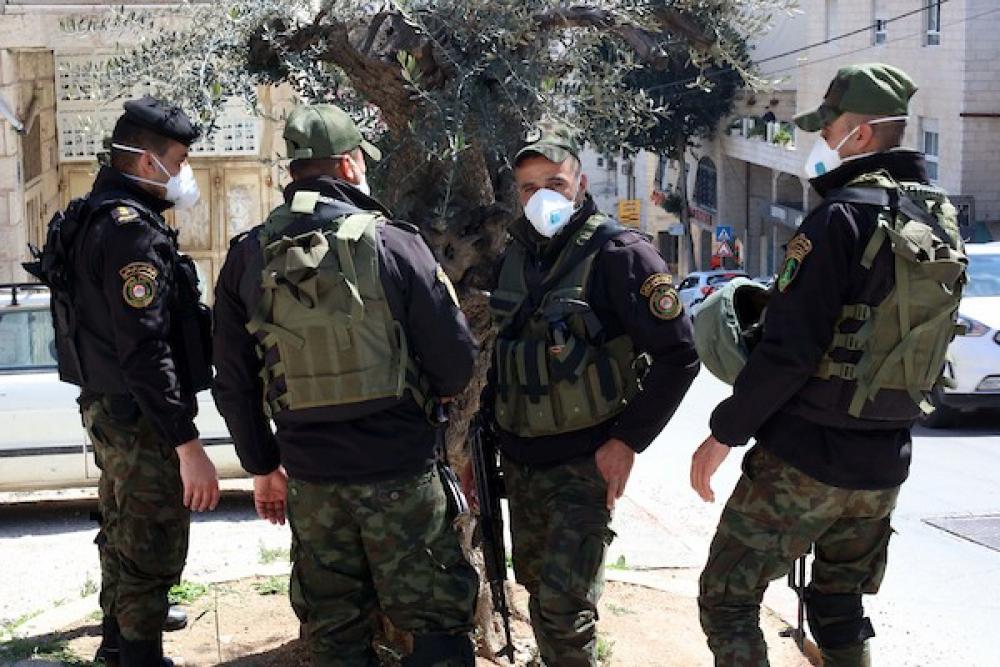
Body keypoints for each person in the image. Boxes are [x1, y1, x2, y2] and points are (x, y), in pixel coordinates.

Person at [691, 64, 967, 666]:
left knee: (728, 599)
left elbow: (791, 350)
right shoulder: (939, 218)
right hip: (884, 462)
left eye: (829, 128)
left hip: (806, 458)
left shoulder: (840, 217)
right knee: (839, 604)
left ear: (860, 135)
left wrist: (723, 434)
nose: (820, 141)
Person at [211, 103, 480, 666]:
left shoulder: (247, 255)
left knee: (334, 631)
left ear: (292, 171)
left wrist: (263, 464)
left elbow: (233, 381)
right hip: (402, 471)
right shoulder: (396, 243)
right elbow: (456, 360)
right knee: (436, 623)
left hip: (312, 479)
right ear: (351, 164)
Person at [466, 122, 700, 666]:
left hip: (583, 462)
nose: (541, 197)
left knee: (565, 610)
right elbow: (503, 359)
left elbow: (680, 358)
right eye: (528, 188)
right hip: (520, 460)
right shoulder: (515, 259)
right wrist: (483, 447)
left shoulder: (620, 254)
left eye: (555, 183)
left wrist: (627, 442)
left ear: (581, 183)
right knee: (538, 592)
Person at [28, 96, 221, 666]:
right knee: (150, 538)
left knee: (121, 527)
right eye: (178, 161)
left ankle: (117, 642)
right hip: (142, 418)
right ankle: (139, 655)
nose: (183, 173)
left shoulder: (94, 213)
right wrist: (187, 444)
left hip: (110, 406)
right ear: (145, 162)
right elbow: (145, 350)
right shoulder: (130, 234)